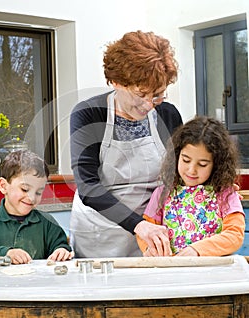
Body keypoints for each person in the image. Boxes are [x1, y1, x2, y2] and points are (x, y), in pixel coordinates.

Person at [69, 30, 183, 258]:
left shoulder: (167, 115)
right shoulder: (89, 114)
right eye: (141, 94)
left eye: (158, 95)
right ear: (117, 82)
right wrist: (138, 224)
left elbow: (182, 172)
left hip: (153, 233)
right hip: (100, 235)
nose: (150, 104)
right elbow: (88, 186)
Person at [137, 116, 245, 256]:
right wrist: (149, 248)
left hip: (212, 272)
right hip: (171, 272)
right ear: (177, 155)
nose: (191, 170)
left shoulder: (225, 194)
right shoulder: (162, 193)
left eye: (202, 164)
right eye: (186, 160)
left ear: (216, 165)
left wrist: (198, 250)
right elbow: (147, 231)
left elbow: (234, 235)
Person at [0, 150, 73, 264]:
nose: (32, 198)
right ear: (3, 186)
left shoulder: (47, 222)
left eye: (38, 192)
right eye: (25, 189)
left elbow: (61, 245)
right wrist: (7, 253)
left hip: (37, 281)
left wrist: (61, 251)